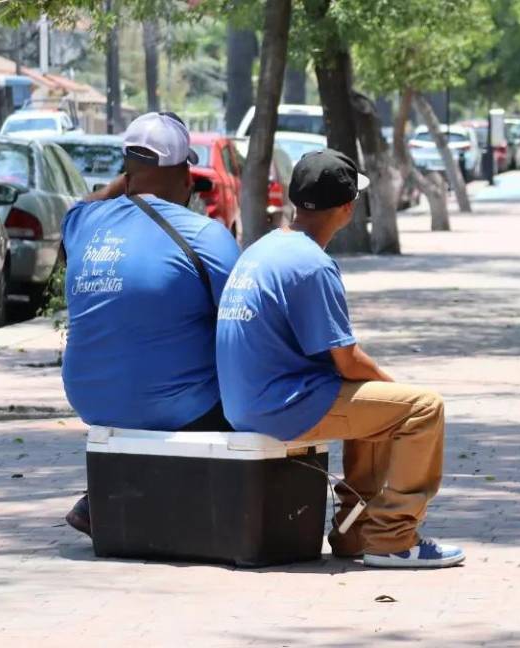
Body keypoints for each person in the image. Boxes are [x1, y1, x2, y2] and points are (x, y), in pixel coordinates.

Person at [215, 150, 465, 569]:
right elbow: (348, 361)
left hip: (246, 402)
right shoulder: (312, 265)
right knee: (421, 409)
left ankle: (353, 532)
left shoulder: (263, 250)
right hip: (280, 407)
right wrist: (395, 386)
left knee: (378, 405)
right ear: (348, 208)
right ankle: (393, 537)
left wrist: (382, 390)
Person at [60, 112, 241, 537]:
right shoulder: (205, 235)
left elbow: (80, 206)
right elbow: (245, 322)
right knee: (245, 376)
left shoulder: (81, 225)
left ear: (128, 173)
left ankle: (102, 497)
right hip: (176, 407)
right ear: (183, 174)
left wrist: (122, 186)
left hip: (91, 399)